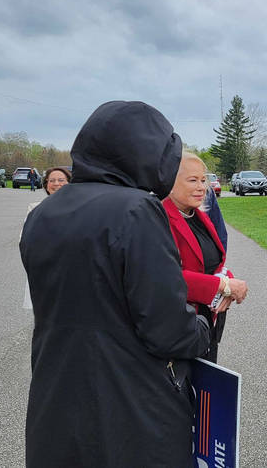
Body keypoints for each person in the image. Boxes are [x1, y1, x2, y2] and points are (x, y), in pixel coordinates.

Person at [20, 101, 212, 467]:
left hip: (55, 394)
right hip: (129, 404)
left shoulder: (44, 213)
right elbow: (166, 328)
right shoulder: (136, 209)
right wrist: (201, 326)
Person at [163, 151, 247, 363]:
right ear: (170, 182)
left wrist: (226, 283)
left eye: (203, 180)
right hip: (177, 329)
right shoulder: (159, 219)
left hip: (206, 322)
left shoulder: (198, 215)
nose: (202, 187)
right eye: (193, 180)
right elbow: (167, 279)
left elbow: (213, 263)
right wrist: (224, 286)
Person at [21, 167, 73, 309]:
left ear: (70, 183)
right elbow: (25, 239)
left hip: (72, 267)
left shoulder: (79, 208)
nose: (56, 183)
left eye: (61, 180)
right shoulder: (35, 208)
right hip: (45, 266)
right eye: (52, 180)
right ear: (46, 185)